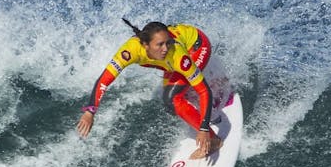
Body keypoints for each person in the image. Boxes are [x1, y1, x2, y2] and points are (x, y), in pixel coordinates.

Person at [76, 19, 222, 159]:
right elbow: (104, 80)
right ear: (145, 45)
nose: (165, 48)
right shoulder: (131, 50)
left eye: (167, 43)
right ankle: (208, 87)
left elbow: (203, 91)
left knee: (172, 99)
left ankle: (214, 140)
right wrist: (90, 111)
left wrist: (203, 130)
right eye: (160, 44)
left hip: (196, 46)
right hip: (166, 61)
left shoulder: (176, 54)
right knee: (170, 105)